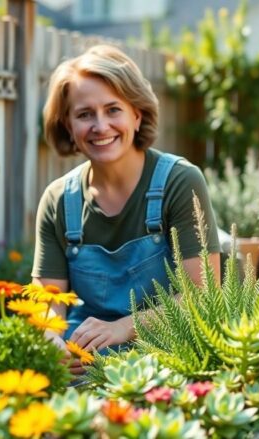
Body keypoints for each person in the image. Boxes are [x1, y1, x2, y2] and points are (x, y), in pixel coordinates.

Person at [33, 45, 221, 372]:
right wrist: (51, 339)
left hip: (171, 356)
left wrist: (122, 327)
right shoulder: (59, 200)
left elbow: (203, 298)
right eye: (84, 114)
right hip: (84, 360)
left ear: (137, 114)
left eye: (113, 110)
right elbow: (48, 303)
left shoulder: (180, 182)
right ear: (68, 126)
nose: (100, 126)